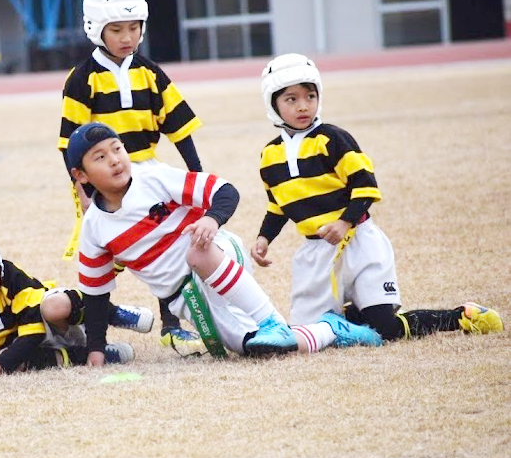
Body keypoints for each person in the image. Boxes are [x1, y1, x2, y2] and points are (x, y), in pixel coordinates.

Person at [65, 122, 383, 365]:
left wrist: (211, 219)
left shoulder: (154, 178)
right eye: (100, 157)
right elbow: (96, 295)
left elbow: (225, 191)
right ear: (81, 175)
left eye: (117, 148)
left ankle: (271, 320)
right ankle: (332, 329)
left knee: (196, 251)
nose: (115, 160)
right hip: (186, 297)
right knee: (259, 348)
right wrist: (95, 349)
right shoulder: (95, 230)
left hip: (217, 250)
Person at [250, 53, 503, 340]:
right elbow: (278, 206)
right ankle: (353, 315)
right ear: (273, 104)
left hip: (359, 242)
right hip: (314, 256)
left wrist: (344, 222)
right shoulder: (269, 156)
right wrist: (264, 238)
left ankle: (461, 317)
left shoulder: (333, 139)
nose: (303, 106)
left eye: (310, 96)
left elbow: (365, 186)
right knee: (308, 335)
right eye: (291, 99)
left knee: (384, 329)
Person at [57, 0, 206, 353]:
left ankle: (172, 325)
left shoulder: (150, 72)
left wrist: (195, 173)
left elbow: (178, 125)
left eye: (134, 28)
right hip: (104, 181)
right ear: (96, 28)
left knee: (167, 247)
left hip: (148, 173)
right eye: (117, 29)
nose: (127, 37)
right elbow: (68, 144)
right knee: (104, 258)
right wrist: (85, 192)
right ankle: (99, 319)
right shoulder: (81, 79)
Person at [0, 226, 154, 377]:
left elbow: (34, 332)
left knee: (55, 307)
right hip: (30, 345)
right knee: (18, 364)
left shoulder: (12, 277)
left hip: (51, 321)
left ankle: (112, 313)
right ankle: (91, 354)